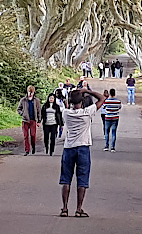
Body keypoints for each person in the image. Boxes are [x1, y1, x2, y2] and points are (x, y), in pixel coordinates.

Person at [59, 88, 106, 218]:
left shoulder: (66, 113)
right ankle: (79, 209)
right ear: (82, 100)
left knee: (66, 179)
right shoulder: (87, 112)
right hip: (83, 148)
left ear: (70, 101)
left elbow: (67, 107)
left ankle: (64, 208)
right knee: (82, 179)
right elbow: (102, 98)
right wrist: (88, 91)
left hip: (69, 148)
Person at [17, 85, 42, 156]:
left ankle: (33, 146)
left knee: (33, 135)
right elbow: (18, 109)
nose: (30, 94)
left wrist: (39, 121)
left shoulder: (36, 101)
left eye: (32, 92)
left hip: (33, 120)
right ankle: (27, 150)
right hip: (25, 120)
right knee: (25, 136)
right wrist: (22, 114)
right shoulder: (23, 100)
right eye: (29, 92)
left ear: (34, 92)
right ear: (27, 92)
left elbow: (39, 111)